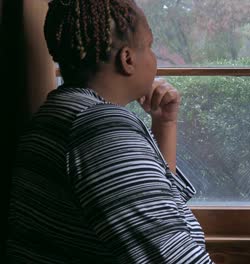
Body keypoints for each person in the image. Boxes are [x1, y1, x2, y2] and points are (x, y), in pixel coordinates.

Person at [6, 0, 214, 263]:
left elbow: (160, 208)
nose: (154, 58)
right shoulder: (100, 128)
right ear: (127, 59)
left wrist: (165, 124)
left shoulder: (55, 114)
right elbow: (170, 254)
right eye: (149, 46)